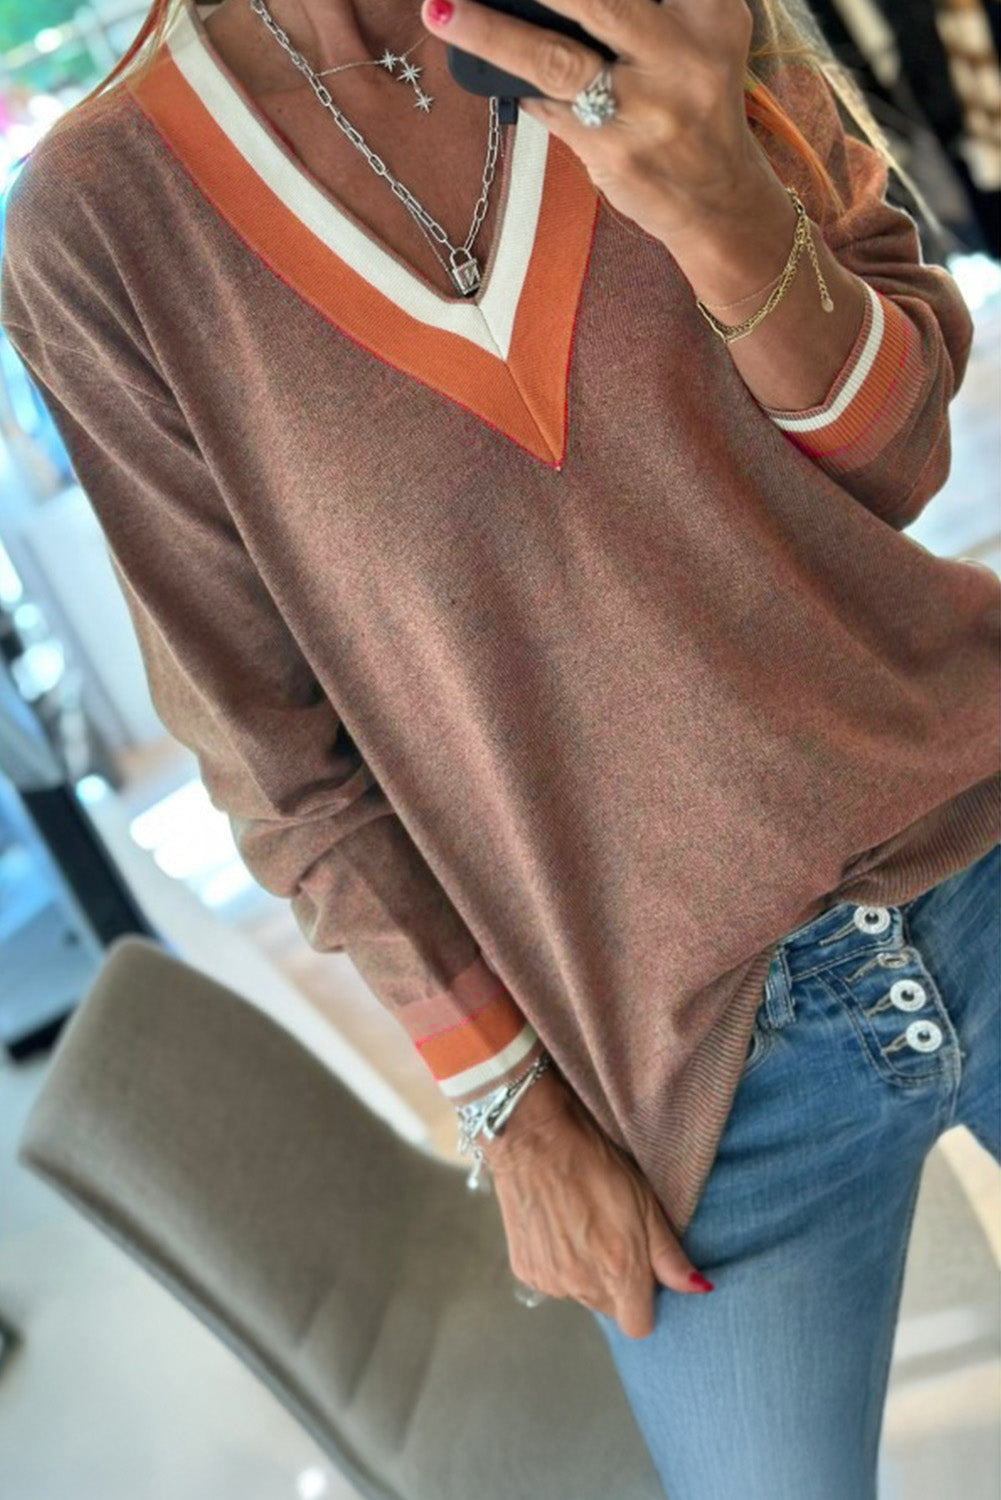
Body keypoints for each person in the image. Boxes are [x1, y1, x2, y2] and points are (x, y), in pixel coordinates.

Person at [1, 0, 997, 1492]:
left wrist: (723, 205)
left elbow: (902, 456)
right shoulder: (102, 226)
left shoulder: (660, 10)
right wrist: (510, 1107)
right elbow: (280, 765)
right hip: (680, 1074)